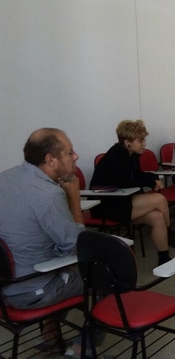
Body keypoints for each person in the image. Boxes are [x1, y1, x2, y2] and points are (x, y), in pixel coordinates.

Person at [0, 128, 100, 357]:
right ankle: (79, 351)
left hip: (5, 285)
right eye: (70, 152)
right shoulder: (48, 194)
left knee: (63, 267)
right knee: (109, 275)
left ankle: (50, 339)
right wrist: (74, 196)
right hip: (30, 290)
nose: (76, 156)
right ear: (51, 160)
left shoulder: (5, 178)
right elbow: (77, 246)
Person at [90, 119, 175, 266]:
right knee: (159, 199)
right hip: (105, 205)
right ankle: (170, 234)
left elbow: (136, 175)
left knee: (157, 217)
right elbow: (125, 182)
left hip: (121, 201)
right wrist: (150, 182)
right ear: (127, 142)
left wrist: (152, 178)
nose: (144, 143)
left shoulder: (132, 155)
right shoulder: (117, 155)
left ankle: (164, 260)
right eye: (141, 140)